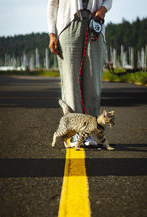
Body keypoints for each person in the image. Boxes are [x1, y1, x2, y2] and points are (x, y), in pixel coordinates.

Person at [47, 0, 113, 146]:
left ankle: (88, 132)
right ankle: (75, 133)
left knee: (93, 82)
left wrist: (103, 9)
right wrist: (52, 34)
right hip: (69, 24)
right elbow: (52, 3)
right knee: (71, 82)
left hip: (95, 24)